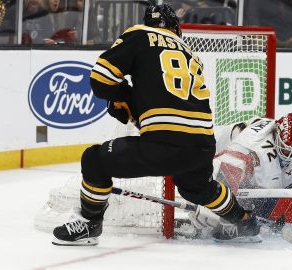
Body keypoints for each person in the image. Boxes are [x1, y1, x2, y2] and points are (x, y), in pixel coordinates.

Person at [52, 3, 260, 246]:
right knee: (198, 188)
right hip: (202, 143)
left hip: (165, 142)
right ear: (175, 28)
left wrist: (122, 98)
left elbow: (101, 79)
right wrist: (134, 104)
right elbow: (170, 99)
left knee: (94, 160)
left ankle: (89, 223)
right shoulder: (189, 52)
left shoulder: (139, 34)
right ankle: (244, 220)